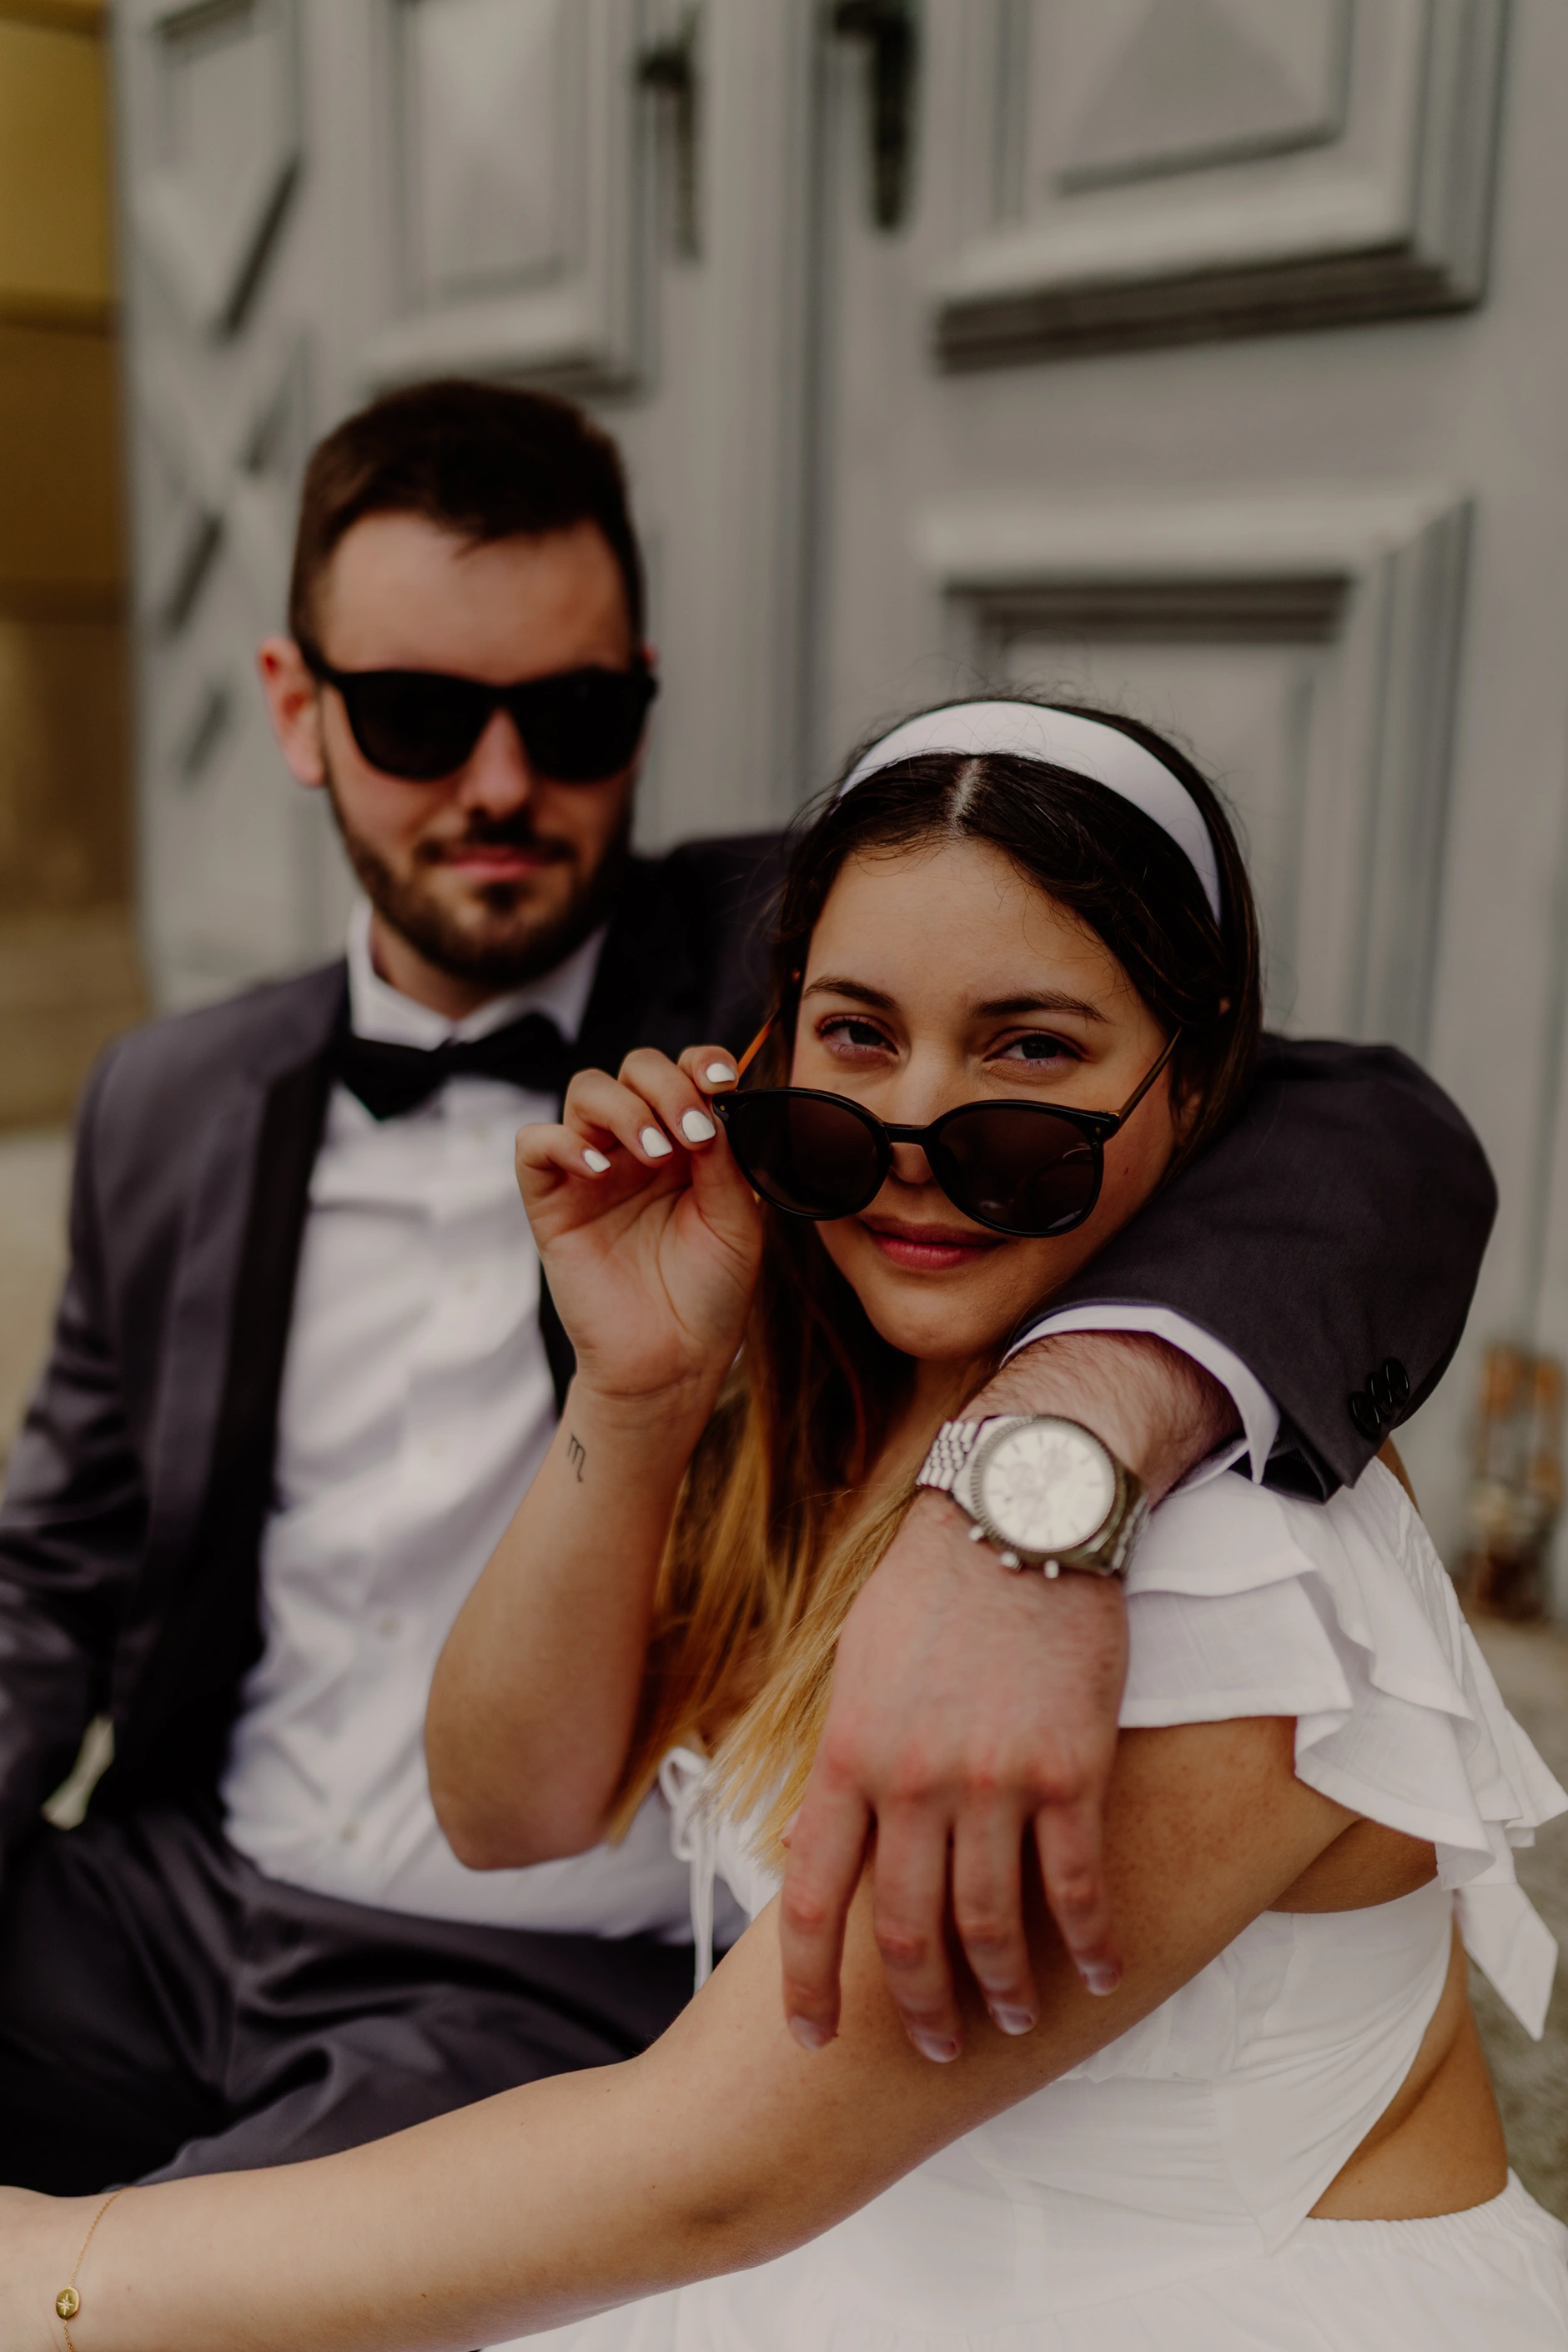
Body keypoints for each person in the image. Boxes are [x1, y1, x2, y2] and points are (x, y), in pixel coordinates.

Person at [0, 374, 1493, 2190]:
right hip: (167, 1892)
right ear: (296, 711)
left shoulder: (815, 959)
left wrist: (1042, 1463)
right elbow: (53, 1574)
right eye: (413, 715)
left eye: (570, 716)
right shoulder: (169, 1092)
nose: (499, 786)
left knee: (179, 2290)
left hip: (542, 1968)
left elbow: (1355, 1132)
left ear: (642, 693)